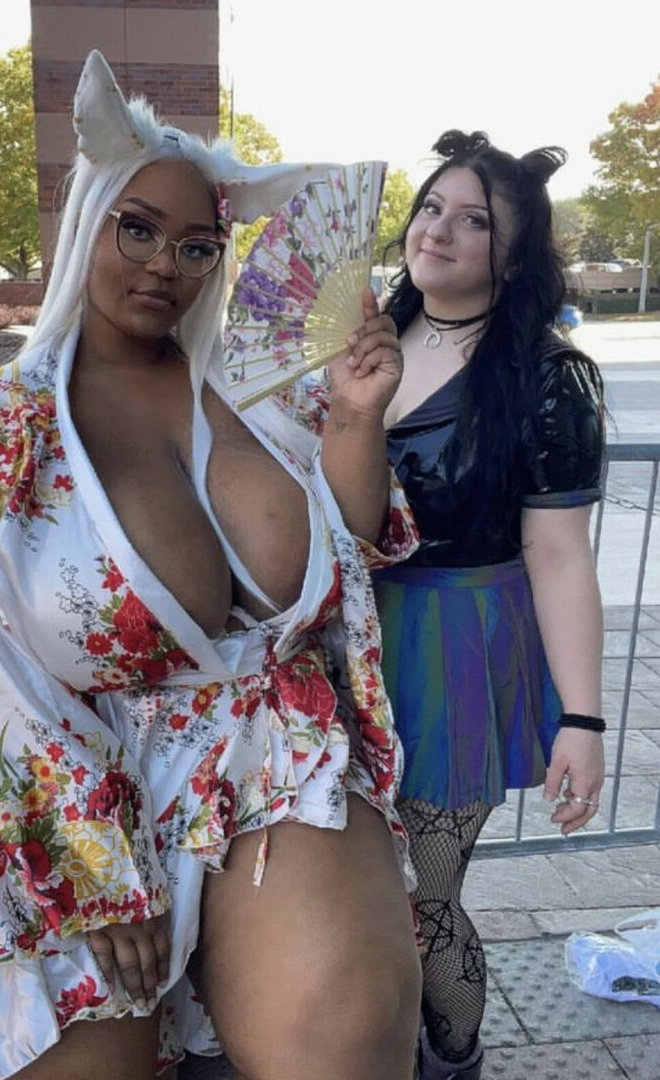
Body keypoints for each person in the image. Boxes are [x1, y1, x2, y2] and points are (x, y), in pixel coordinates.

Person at [0, 50, 423, 1080]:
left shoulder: (257, 398)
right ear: (89, 222)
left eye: (196, 245)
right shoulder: (3, 423)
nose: (165, 264)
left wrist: (353, 419)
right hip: (52, 779)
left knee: (348, 1038)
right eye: (138, 228)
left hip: (262, 746)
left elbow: (340, 571)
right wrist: (91, 861)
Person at [374, 130, 606, 1080]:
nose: (438, 230)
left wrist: (581, 719)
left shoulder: (547, 377)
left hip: (457, 646)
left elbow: (558, 553)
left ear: (512, 258)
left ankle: (452, 1061)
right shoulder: (361, 338)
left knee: (426, 898)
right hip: (341, 640)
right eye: (431, 207)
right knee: (350, 892)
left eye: (473, 221)